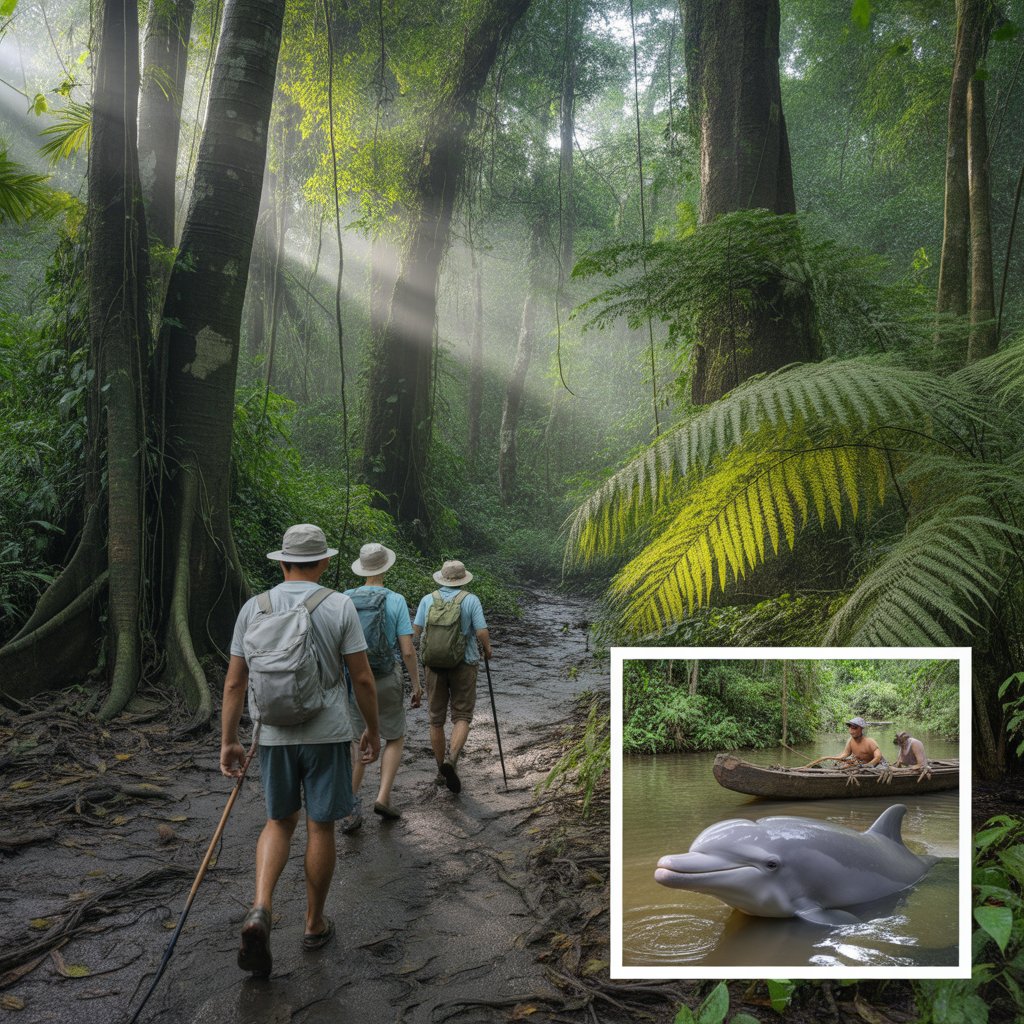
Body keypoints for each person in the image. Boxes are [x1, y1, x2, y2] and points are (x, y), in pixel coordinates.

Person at [220, 523, 380, 977]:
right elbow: (363, 679)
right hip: (328, 733)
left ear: (282, 561)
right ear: (325, 563)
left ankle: (260, 907)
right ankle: (313, 924)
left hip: (272, 735)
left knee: (278, 821)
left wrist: (229, 740)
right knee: (321, 826)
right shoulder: (339, 604)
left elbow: (235, 681)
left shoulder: (255, 606)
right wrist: (371, 729)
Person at [340, 542, 422, 829]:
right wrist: (416, 684)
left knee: (356, 741)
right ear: (386, 566)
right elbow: (408, 650)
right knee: (394, 736)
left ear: (362, 568)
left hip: (353, 681)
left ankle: (350, 805)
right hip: (386, 677)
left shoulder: (345, 598)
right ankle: (383, 797)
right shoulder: (396, 600)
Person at [413, 559, 492, 794]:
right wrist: (487, 650)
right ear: (462, 579)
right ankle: (452, 759)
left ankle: (440, 769)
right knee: (462, 715)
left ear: (442, 578)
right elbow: (481, 632)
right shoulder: (470, 600)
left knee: (436, 719)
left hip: (434, 666)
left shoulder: (428, 600)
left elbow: (416, 632)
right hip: (464, 664)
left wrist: (425, 654)